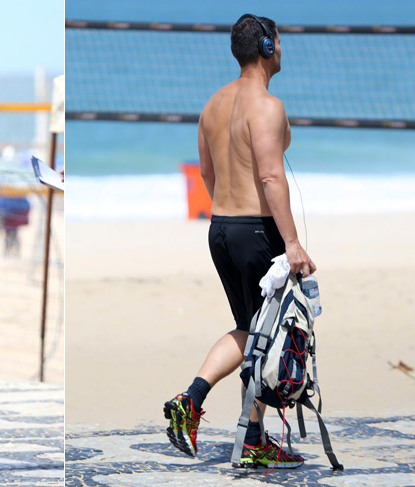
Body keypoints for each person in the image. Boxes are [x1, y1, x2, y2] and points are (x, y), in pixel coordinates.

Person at [163, 14, 315, 469]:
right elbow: (270, 175)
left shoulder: (212, 104)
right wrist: (292, 243)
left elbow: (208, 172)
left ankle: (241, 428)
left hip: (221, 228)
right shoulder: (267, 106)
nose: (283, 50)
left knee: (252, 331)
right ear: (268, 47)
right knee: (266, 336)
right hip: (256, 230)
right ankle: (225, 422)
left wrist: (230, 218)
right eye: (280, 42)